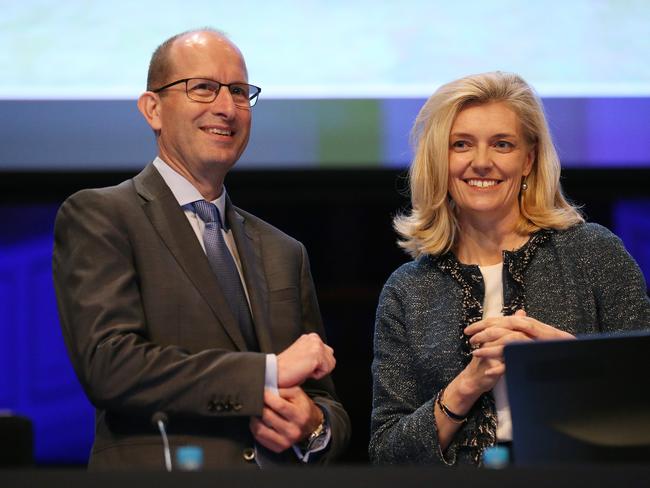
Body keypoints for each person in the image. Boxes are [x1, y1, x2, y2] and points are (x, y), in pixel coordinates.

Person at [53, 28, 350, 470]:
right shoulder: (101, 216)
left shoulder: (284, 251)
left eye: (238, 91)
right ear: (152, 108)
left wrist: (315, 426)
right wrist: (265, 375)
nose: (226, 108)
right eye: (203, 88)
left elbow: (325, 401)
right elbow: (111, 365)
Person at [369, 71, 650, 466]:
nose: (481, 162)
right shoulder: (409, 289)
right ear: (439, 158)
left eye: (502, 144)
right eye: (461, 144)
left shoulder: (592, 253)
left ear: (528, 158)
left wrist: (568, 361)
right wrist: (466, 385)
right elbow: (386, 455)